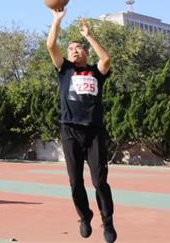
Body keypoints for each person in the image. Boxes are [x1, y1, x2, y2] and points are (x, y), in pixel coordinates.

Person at [47, 12, 117, 243]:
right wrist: (57, 19)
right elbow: (51, 45)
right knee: (75, 182)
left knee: (99, 181)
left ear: (86, 52)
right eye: (70, 49)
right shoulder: (65, 70)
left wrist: (89, 36)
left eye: (78, 47)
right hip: (70, 130)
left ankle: (107, 221)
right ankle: (85, 216)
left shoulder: (96, 72)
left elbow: (106, 58)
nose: (74, 51)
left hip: (94, 132)